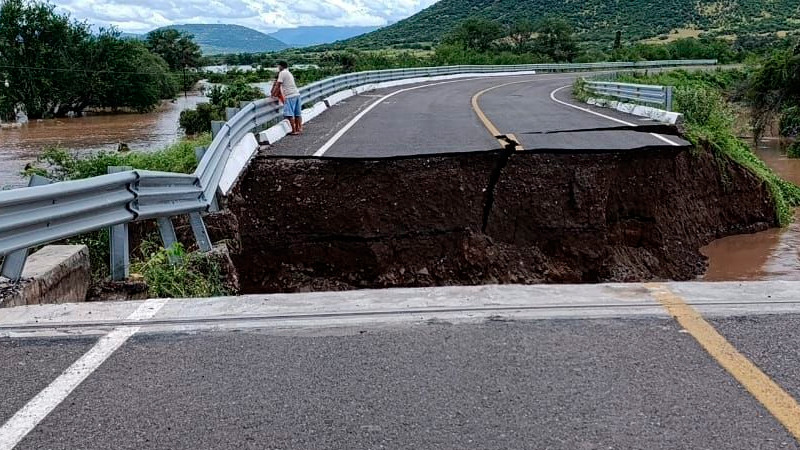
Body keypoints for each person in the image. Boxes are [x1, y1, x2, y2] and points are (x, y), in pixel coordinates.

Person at [275, 61, 302, 135]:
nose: (278, 68)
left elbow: (278, 85)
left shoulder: (282, 73)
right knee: (297, 113)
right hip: (297, 94)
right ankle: (299, 129)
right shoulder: (289, 72)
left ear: (281, 66)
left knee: (289, 114)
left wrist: (274, 94)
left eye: (278, 66)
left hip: (290, 95)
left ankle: (294, 130)